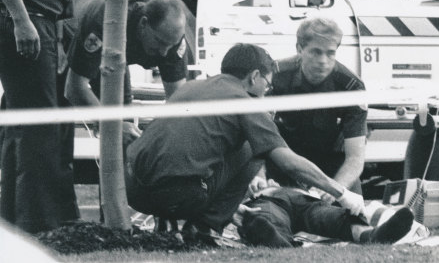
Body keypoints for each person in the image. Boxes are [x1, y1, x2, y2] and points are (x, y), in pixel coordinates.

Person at [124, 43, 365, 241]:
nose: (266, 91)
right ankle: (205, 228)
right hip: (177, 195)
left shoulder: (191, 87)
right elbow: (289, 162)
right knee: (255, 147)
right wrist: (340, 191)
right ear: (255, 76)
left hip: (134, 190)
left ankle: (166, 220)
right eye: (267, 85)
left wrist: (233, 206)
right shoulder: (244, 101)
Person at [0, 0, 86, 233]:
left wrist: (62, 34)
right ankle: (35, 225)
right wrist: (21, 21)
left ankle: (18, 218)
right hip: (27, 24)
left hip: (48, 27)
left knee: (38, 122)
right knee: (39, 125)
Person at [64, 0, 188, 133]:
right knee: (60, 119)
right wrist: (112, 126)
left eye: (170, 46)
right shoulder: (104, 21)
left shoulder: (171, 37)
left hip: (117, 45)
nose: (164, 52)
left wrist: (152, 137)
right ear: (143, 24)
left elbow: (177, 101)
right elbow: (74, 89)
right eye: (160, 42)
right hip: (70, 16)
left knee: (124, 120)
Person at [264, 17, 367, 200]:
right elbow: (256, 138)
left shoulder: (351, 87)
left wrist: (337, 188)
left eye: (330, 53)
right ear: (299, 49)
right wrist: (260, 177)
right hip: (284, 160)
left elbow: (355, 158)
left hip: (331, 164)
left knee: (353, 217)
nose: (323, 61)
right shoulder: (275, 76)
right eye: (316, 52)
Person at [237, 185, 414, 248]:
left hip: (305, 198)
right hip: (268, 197)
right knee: (266, 216)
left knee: (332, 216)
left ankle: (372, 235)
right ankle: (278, 241)